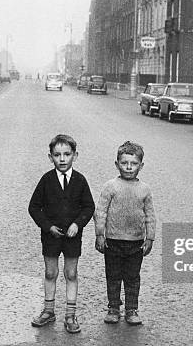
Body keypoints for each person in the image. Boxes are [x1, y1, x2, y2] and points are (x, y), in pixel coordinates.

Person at [28, 134, 95, 334]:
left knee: (71, 273)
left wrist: (77, 224)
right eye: (57, 155)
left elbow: (88, 206)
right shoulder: (46, 180)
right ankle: (49, 311)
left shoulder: (80, 180)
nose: (62, 159)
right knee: (50, 272)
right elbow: (33, 207)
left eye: (67, 154)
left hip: (73, 237)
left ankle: (70, 314)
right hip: (51, 236)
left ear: (75, 155)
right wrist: (48, 226)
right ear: (50, 157)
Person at [94, 141, 155, 326]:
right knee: (112, 276)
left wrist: (150, 237)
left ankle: (131, 309)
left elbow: (150, 215)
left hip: (135, 242)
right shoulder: (110, 187)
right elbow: (101, 211)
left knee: (132, 277)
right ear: (117, 164)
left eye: (133, 163)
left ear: (141, 166)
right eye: (124, 163)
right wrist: (100, 234)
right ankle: (113, 308)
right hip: (112, 241)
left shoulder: (144, 189)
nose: (129, 167)